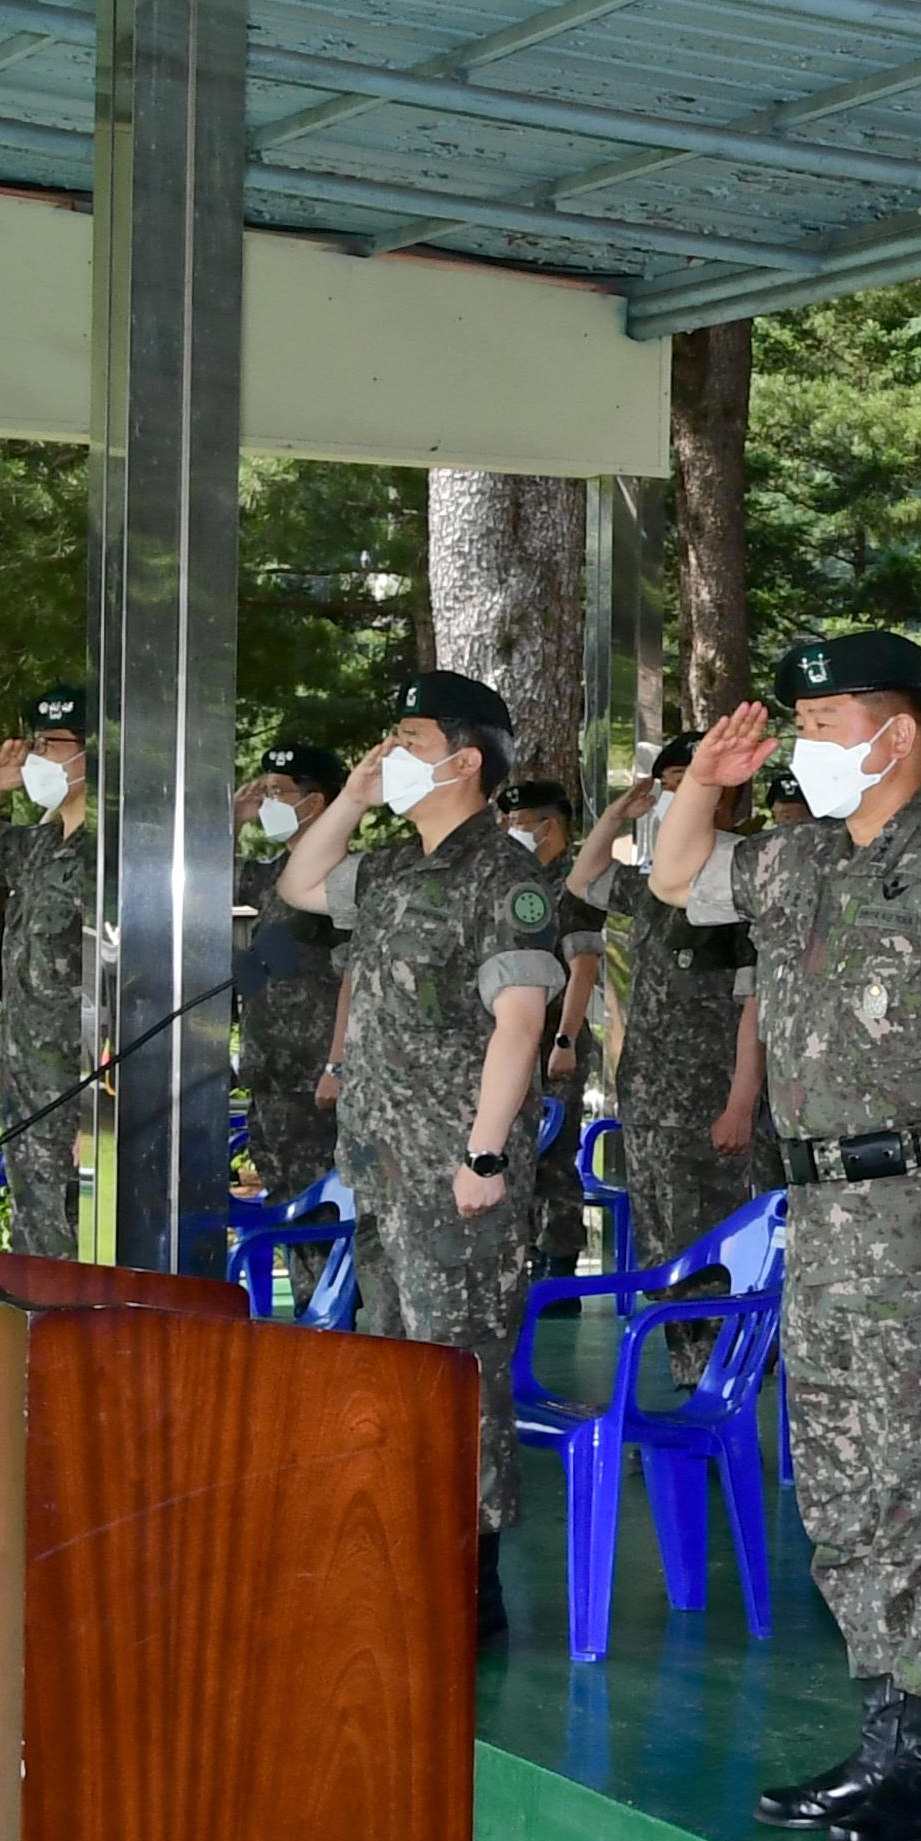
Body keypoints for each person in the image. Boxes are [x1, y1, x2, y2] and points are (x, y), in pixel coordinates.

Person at [650, 634, 921, 1841]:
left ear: (898, 734)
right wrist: (703, 781)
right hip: (818, 1216)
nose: (806, 745)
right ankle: (883, 1733)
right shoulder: (800, 858)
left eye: (824, 722)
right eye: (802, 723)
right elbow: (674, 880)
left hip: (917, 1206)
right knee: (839, 1481)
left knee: (920, 1481)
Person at [274, 673, 569, 1642]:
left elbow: (520, 1022)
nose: (389, 752)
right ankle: (407, 1538)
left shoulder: (508, 877)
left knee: (457, 1366)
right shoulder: (393, 866)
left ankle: (469, 1573)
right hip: (384, 1161)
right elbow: (300, 883)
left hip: (457, 1165)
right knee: (397, 1360)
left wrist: (484, 1153)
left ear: (464, 758)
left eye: (406, 739)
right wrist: (353, 799)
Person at [566, 732, 765, 1326]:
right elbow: (584, 883)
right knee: (663, 1239)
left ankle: (722, 1361)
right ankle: (688, 1360)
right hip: (651, 1093)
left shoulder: (741, 877)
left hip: (709, 1094)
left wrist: (740, 1101)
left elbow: (757, 1001)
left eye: (691, 780)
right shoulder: (657, 882)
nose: (677, 794)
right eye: (672, 782)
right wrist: (611, 819)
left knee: (713, 1236)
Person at [0, 686, 97, 1258]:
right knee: (34, 1234)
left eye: (50, 744)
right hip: (27, 1081)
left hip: (76, 1087)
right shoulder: (39, 843)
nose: (37, 756)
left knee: (75, 1236)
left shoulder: (113, 851)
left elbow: (122, 984)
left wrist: (99, 1113)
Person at [231, 741, 347, 1208]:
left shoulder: (340, 877)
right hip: (270, 1074)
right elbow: (204, 875)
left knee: (319, 1211)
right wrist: (235, 817)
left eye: (278, 793)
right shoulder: (274, 872)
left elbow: (355, 979)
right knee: (285, 1211)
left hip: (314, 1078)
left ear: (315, 802)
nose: (268, 805)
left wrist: (337, 1065)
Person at [500, 780, 599, 1278]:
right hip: (511, 1040)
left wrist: (565, 1039)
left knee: (556, 1155)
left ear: (549, 826)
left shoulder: (573, 882)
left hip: (555, 1040)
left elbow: (583, 967)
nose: (508, 832)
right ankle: (523, 1253)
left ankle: (558, 1261)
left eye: (517, 824)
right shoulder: (512, 880)